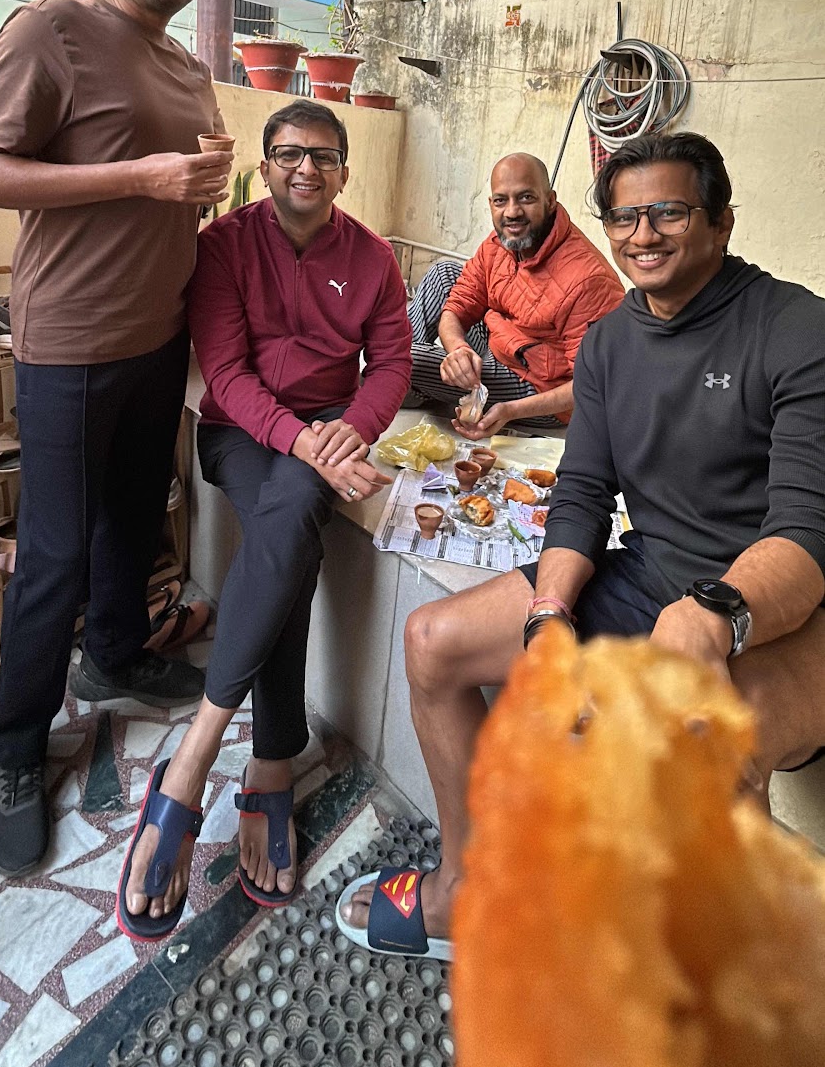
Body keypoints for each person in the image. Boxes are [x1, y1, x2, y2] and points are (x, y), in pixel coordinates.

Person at [338, 131, 825, 960]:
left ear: (721, 222)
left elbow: (805, 534)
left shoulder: (794, 328)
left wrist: (712, 615)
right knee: (432, 642)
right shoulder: (611, 345)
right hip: (652, 578)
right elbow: (584, 494)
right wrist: (549, 614)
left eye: (669, 212)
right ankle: (464, 891)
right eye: (625, 217)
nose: (643, 234)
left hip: (785, 613)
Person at [0, 0, 233, 878]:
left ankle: (115, 655)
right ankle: (14, 751)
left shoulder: (188, 67)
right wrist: (142, 177)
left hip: (157, 339)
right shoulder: (53, 29)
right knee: (54, 555)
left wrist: (193, 195)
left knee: (134, 518)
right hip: (68, 340)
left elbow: (177, 196)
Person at [117, 99, 412, 941]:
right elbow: (227, 373)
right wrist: (305, 445)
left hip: (325, 430)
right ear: (265, 164)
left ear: (344, 172)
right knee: (292, 513)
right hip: (241, 434)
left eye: (323, 156)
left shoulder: (373, 258)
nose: (304, 168)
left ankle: (194, 759)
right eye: (288, 154)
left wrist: (353, 428)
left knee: (288, 530)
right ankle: (269, 759)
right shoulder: (223, 246)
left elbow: (392, 360)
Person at [407, 153, 623, 434]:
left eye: (526, 198)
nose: (512, 212)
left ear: (550, 201)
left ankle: (404, 380)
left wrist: (511, 411)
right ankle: (401, 383)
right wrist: (458, 349)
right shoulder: (499, 243)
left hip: (539, 388)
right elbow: (457, 305)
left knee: (405, 358)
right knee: (443, 273)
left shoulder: (587, 280)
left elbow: (592, 384)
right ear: (491, 204)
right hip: (502, 346)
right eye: (501, 200)